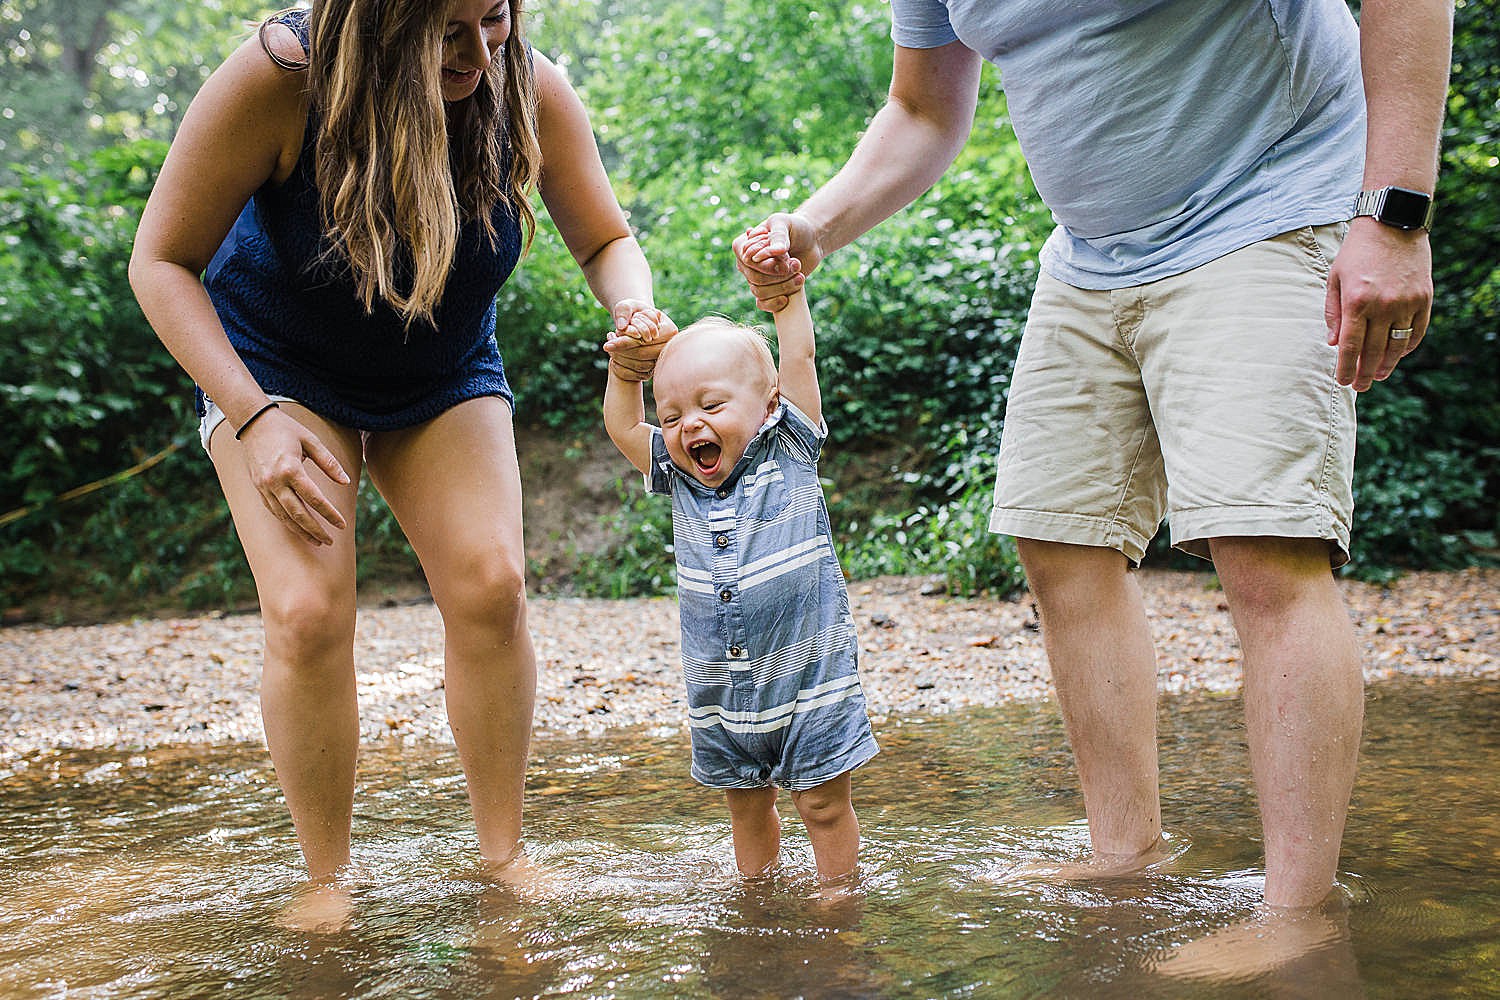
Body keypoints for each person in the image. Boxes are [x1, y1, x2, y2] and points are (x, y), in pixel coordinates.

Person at [734, 0, 1451, 917]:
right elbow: (922, 109)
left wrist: (1393, 214)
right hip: (1091, 258)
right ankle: (1126, 854)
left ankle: (1298, 917)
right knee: (1060, 540)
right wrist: (814, 228)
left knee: (1264, 548)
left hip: (1275, 203)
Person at [129, 0, 671, 895]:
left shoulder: (528, 86)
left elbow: (606, 239)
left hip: (441, 368)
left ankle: (505, 861)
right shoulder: (281, 76)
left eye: (491, 19)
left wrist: (631, 308)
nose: (474, 53)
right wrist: (252, 416)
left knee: (491, 587)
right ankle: (327, 881)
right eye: (441, 32)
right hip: (275, 370)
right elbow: (161, 260)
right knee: (306, 612)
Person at [602, 250, 879, 890]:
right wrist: (625, 371)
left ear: (769, 403)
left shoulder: (791, 447)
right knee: (745, 808)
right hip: (720, 690)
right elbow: (622, 423)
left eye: (710, 405)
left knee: (821, 804)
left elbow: (800, 359)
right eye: (672, 416)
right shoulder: (677, 476)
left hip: (809, 680)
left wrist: (786, 301)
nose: (688, 424)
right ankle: (758, 898)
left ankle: (839, 902)